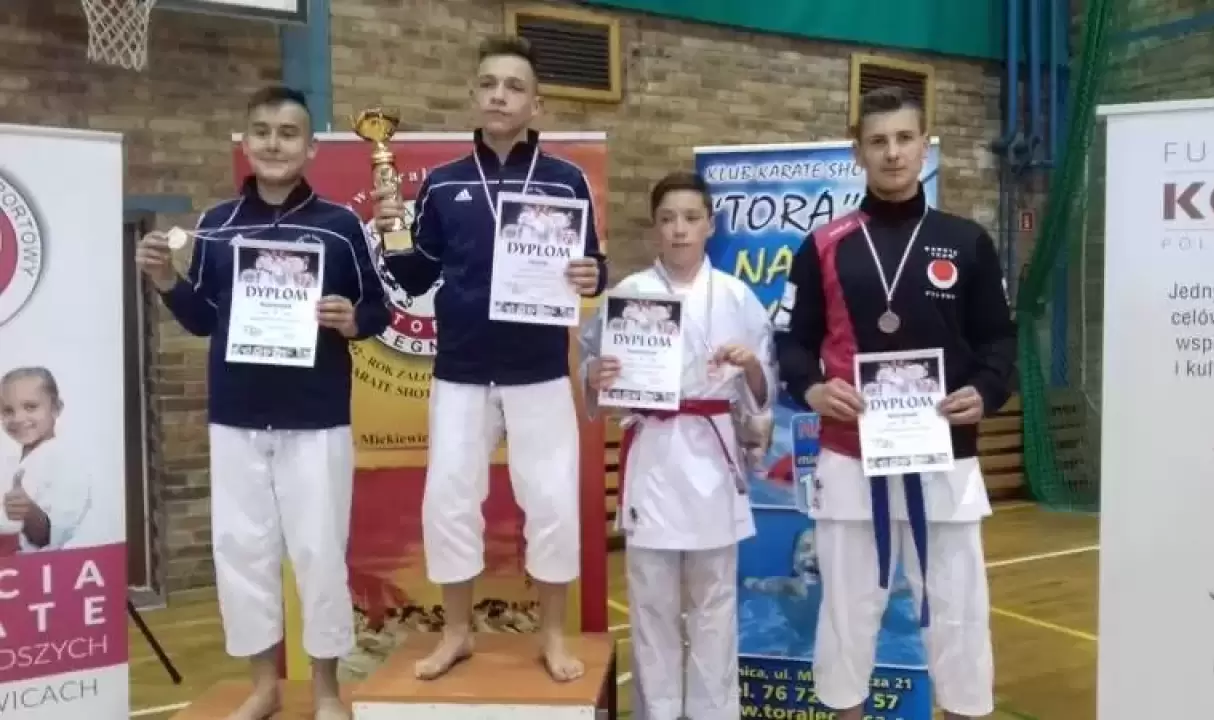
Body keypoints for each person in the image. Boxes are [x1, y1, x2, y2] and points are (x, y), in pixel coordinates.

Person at [135, 86, 391, 720]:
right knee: (242, 553)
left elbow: (379, 309)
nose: (274, 143)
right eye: (262, 132)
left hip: (316, 416)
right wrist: (166, 280)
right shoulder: (217, 225)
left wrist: (351, 319)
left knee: (319, 554)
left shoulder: (340, 227)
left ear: (310, 147)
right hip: (237, 417)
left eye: (288, 132)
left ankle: (326, 689)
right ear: (246, 142)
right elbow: (203, 319)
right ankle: (264, 686)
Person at [774, 86, 1016, 720]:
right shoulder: (823, 244)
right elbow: (792, 342)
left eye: (905, 139)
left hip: (945, 456)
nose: (892, 153)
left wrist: (986, 391)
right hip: (851, 457)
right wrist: (812, 389)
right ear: (857, 152)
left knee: (959, 616)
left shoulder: (965, 241)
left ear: (923, 146)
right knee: (846, 615)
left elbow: (999, 339)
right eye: (877, 141)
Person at [373, 35, 608, 683]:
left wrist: (593, 273)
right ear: (474, 96)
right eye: (488, 84)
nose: (499, 96)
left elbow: (592, 264)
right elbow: (416, 276)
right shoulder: (444, 183)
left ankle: (553, 635)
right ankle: (457, 633)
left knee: (552, 501)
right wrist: (393, 233)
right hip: (462, 368)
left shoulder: (565, 180)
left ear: (536, 104)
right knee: (448, 500)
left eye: (514, 86)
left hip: (538, 368)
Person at [581, 171, 775, 719]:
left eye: (691, 218)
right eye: (668, 219)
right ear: (655, 229)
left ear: (710, 224)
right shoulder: (630, 294)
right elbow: (591, 367)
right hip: (654, 455)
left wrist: (751, 366)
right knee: (651, 606)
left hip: (712, 456)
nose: (680, 229)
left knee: (715, 605)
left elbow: (764, 394)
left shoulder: (737, 296)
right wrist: (595, 374)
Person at [0, 366, 92, 556]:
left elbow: (51, 535)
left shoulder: (66, 461)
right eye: (8, 410)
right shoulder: (11, 462)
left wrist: (28, 513)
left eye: (30, 407)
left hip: (39, 568)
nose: (18, 418)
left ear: (56, 408)